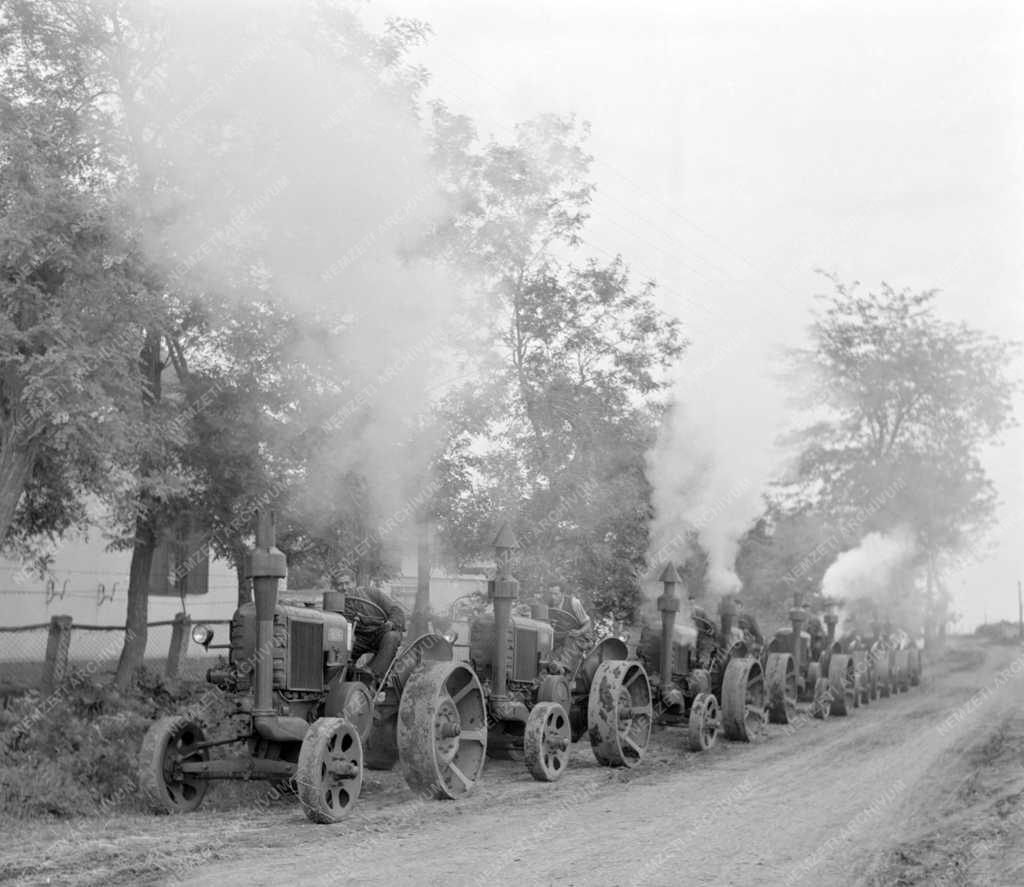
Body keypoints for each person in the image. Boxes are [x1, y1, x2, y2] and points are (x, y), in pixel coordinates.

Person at [341, 576, 406, 683]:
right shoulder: (336, 603)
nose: (344, 587)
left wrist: (390, 623)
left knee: (392, 636)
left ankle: (373, 677)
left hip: (381, 633)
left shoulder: (372, 593)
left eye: (347, 583)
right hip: (358, 638)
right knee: (340, 646)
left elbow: (397, 610)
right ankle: (344, 678)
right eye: (339, 584)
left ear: (354, 582)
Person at [546, 585, 594, 675]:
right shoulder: (548, 604)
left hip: (580, 636)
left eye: (556, 594)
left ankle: (562, 667)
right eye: (551, 594)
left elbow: (588, 623)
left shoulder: (574, 603)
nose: (553, 597)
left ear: (562, 594)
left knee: (571, 638)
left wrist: (579, 632)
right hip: (560, 636)